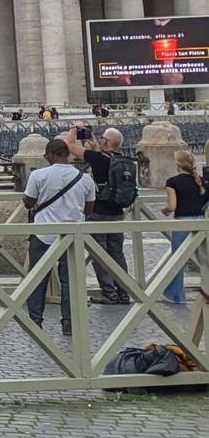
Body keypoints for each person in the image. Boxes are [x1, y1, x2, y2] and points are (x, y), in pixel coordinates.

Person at [22, 137, 95, 332]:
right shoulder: (85, 179)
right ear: (67, 154)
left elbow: (28, 203)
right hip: (71, 235)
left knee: (37, 279)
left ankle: (34, 322)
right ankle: (68, 322)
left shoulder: (38, 175)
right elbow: (89, 209)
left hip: (43, 233)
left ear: (50, 155)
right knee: (69, 280)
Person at [76, 126, 137, 304]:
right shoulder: (123, 161)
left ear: (106, 142)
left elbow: (69, 146)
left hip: (99, 213)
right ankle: (124, 292)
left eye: (103, 138)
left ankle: (109, 293)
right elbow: (105, 164)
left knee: (99, 254)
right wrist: (95, 144)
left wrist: (75, 129)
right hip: (117, 213)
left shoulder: (97, 159)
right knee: (117, 253)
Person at [163, 150, 202, 305]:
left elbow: (172, 206)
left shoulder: (172, 182)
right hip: (200, 222)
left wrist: (165, 210)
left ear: (178, 164)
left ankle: (176, 295)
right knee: (204, 259)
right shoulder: (200, 181)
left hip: (182, 221)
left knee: (178, 260)